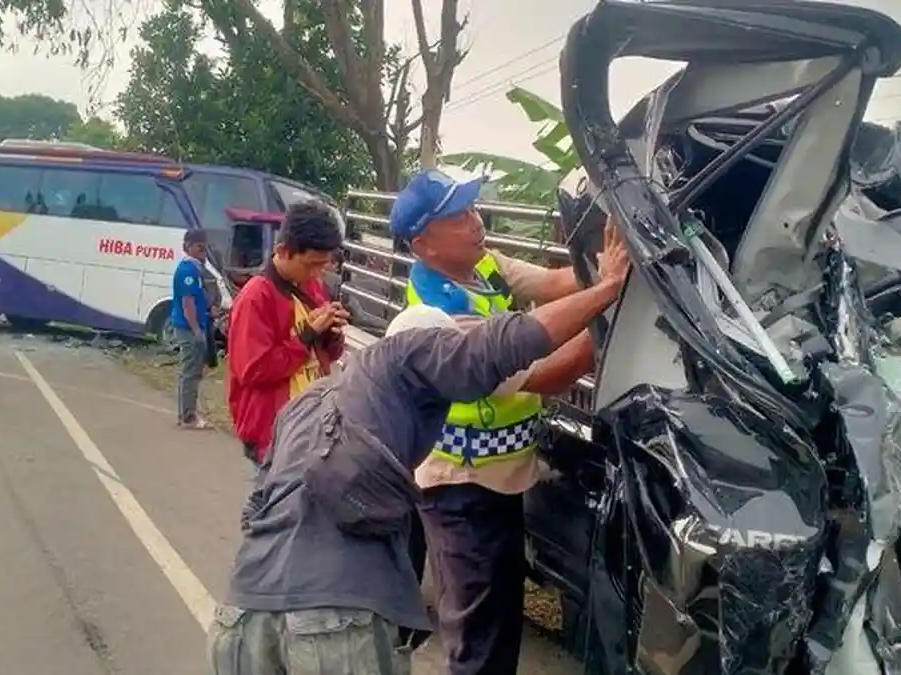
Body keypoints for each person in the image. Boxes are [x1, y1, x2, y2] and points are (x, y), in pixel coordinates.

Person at [207, 256, 628, 675]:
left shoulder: (306, 405)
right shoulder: (409, 354)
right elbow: (500, 347)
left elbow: (256, 507)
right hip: (332, 618)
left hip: (242, 612)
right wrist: (608, 290)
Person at [387, 169, 626, 675]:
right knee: (479, 638)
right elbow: (549, 373)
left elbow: (556, 283)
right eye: (459, 217)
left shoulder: (483, 266)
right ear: (423, 243)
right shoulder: (441, 320)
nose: (477, 222)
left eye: (474, 209)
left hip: (499, 481)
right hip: (462, 491)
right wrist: (611, 311)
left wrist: (607, 268)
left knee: (498, 621)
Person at [227, 200, 350, 468]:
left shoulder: (312, 287)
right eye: (311, 264)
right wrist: (306, 335)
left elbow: (328, 355)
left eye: (323, 265)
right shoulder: (256, 298)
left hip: (311, 425)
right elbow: (254, 370)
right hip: (274, 433)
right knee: (273, 506)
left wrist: (331, 333)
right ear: (283, 251)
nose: (317, 273)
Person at [173, 228, 214, 430]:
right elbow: (187, 304)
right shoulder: (187, 271)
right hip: (189, 329)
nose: (203, 250)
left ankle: (187, 413)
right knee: (190, 373)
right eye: (199, 246)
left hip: (195, 325)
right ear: (189, 246)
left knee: (193, 372)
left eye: (205, 246)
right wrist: (197, 331)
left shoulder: (196, 269)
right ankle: (188, 417)